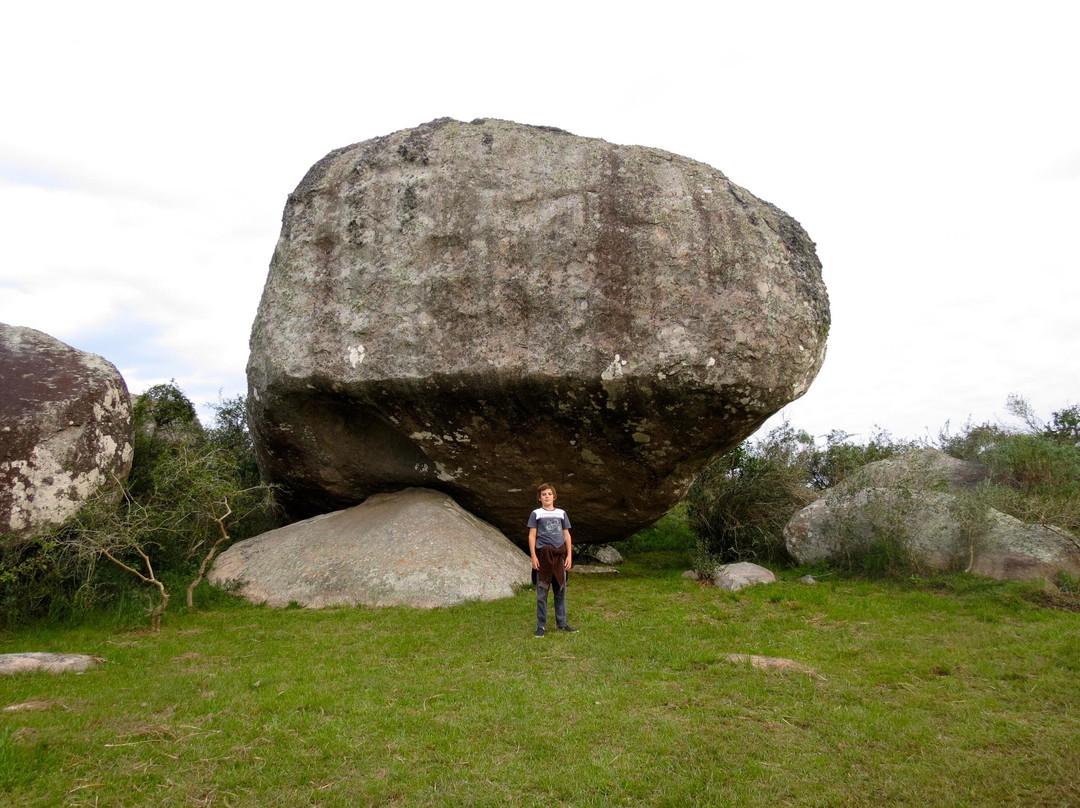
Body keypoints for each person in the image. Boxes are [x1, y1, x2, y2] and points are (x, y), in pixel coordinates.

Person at [527, 482, 577, 637]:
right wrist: (534, 557)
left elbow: (567, 535)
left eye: (549, 494)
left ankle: (561, 623)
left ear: (554, 496)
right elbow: (532, 536)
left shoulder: (561, 513)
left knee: (560, 591)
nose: (547, 496)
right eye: (543, 494)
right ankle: (541, 626)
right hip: (544, 556)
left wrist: (569, 555)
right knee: (542, 593)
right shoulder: (536, 514)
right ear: (539, 498)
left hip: (559, 557)